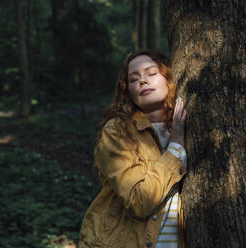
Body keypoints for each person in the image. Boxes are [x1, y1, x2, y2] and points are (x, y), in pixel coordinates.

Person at [78, 50, 187, 248]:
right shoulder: (117, 131)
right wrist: (177, 146)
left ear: (169, 78)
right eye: (133, 79)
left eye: (152, 73)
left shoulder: (186, 126)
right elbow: (139, 201)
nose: (142, 81)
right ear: (127, 91)